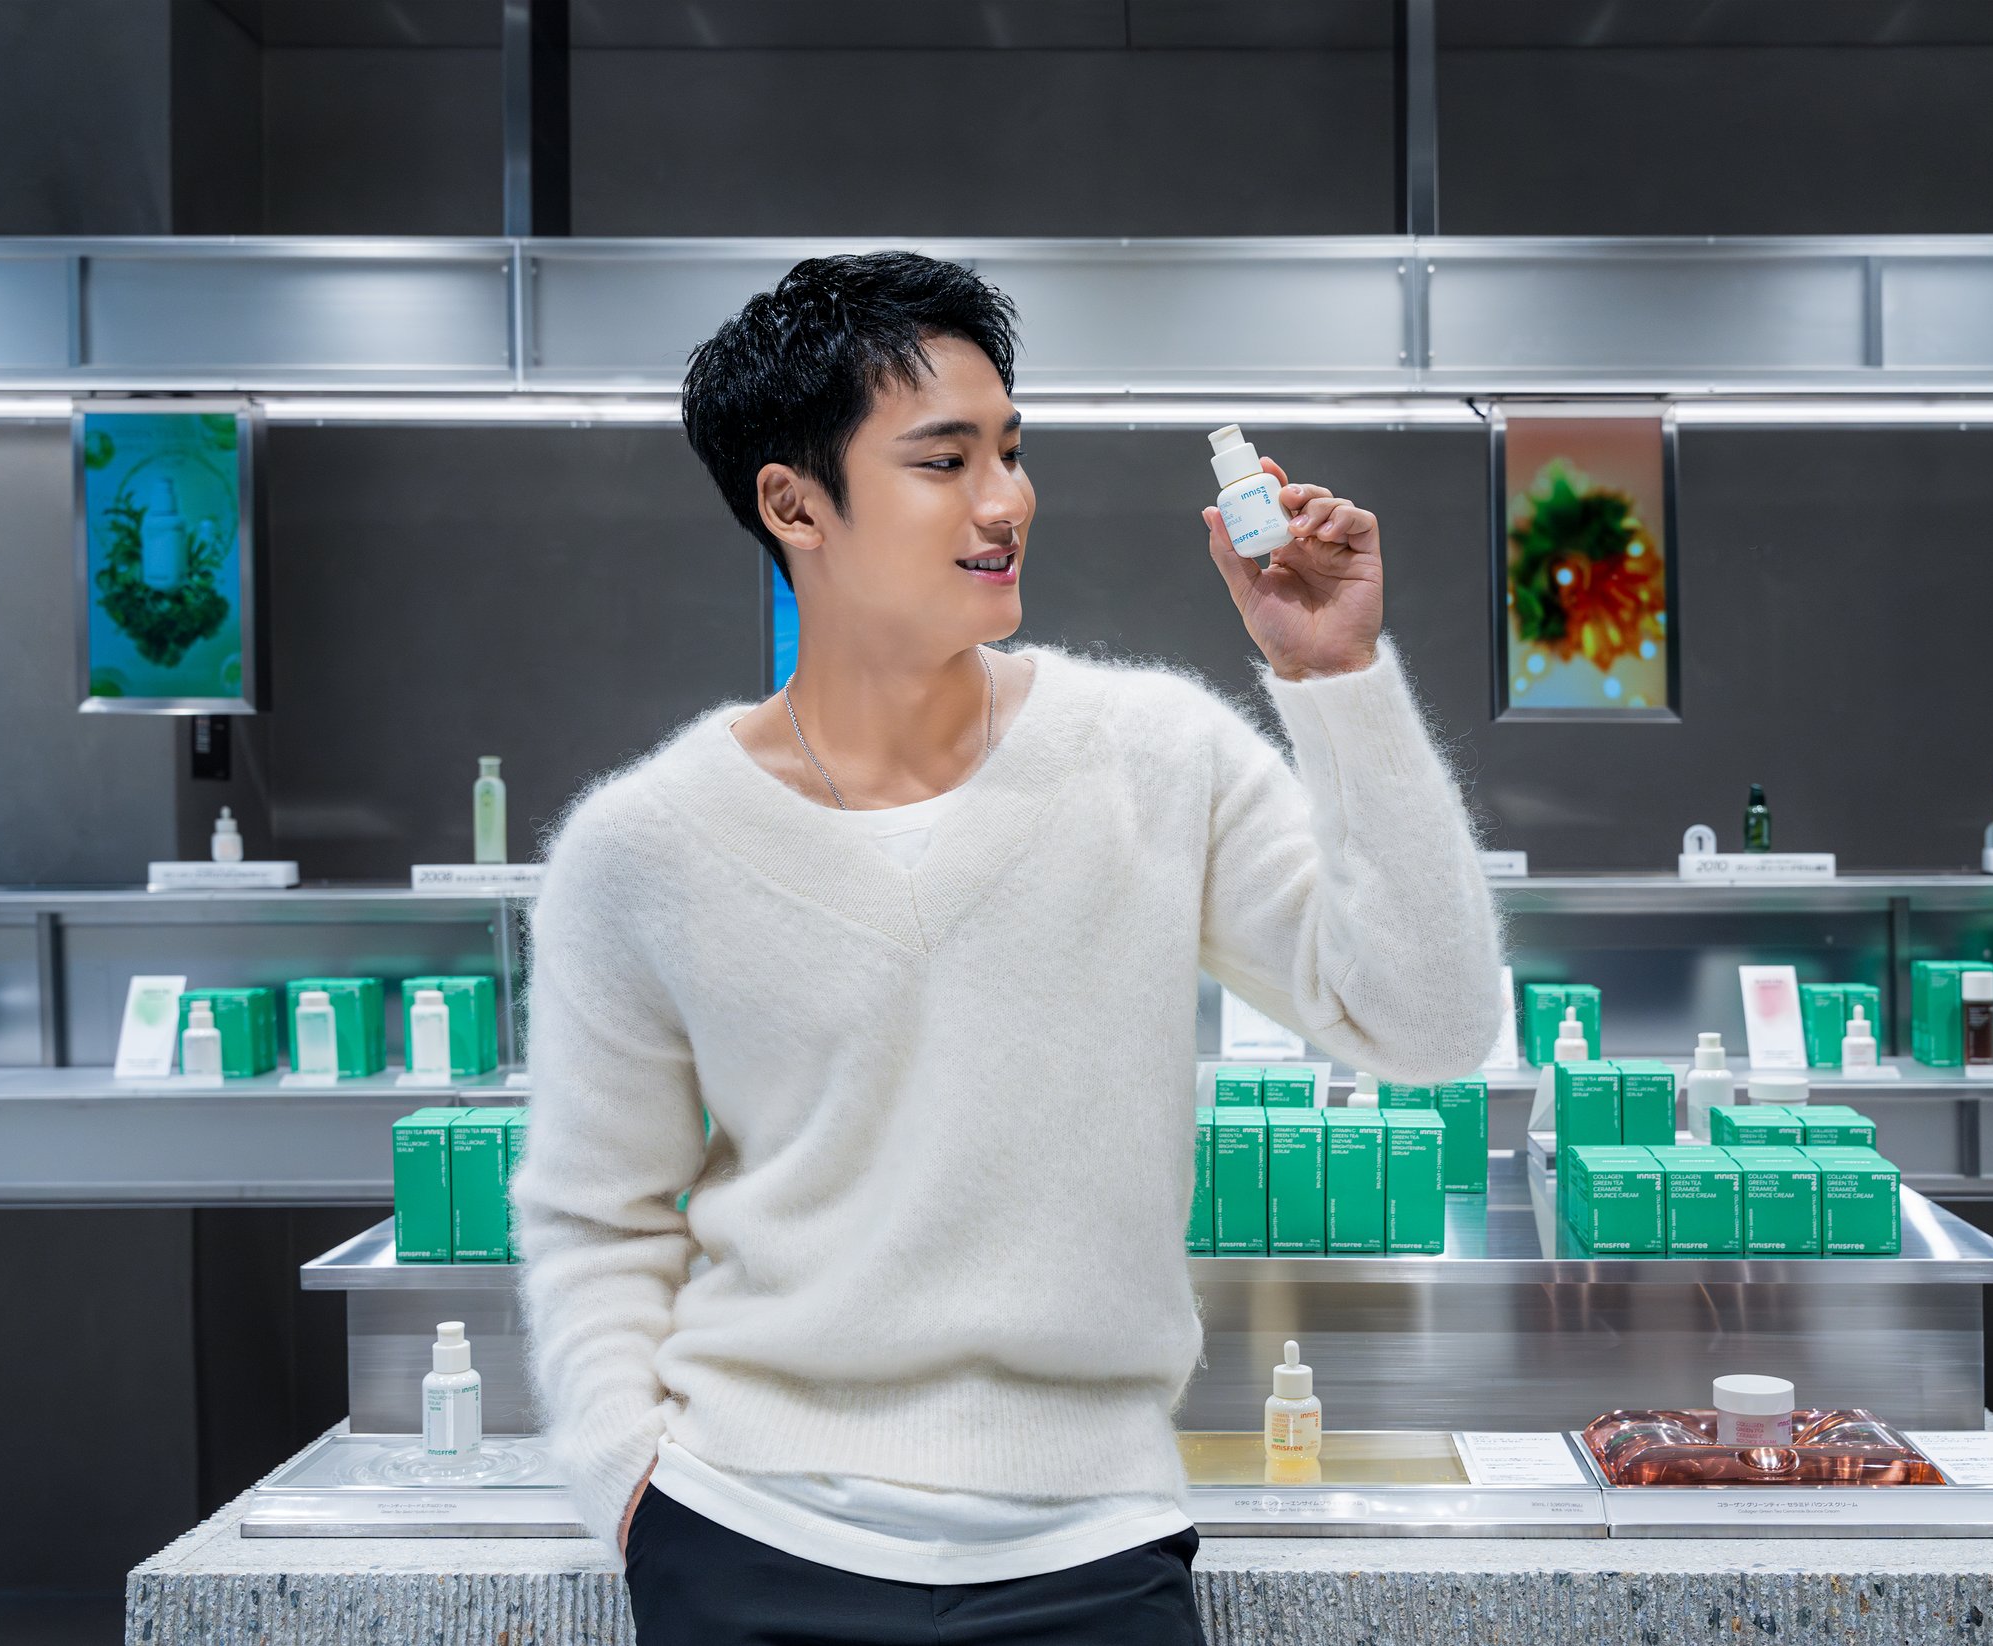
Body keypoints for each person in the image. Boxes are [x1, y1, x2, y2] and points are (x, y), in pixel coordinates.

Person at [511, 250, 1502, 1645]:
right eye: (943, 458)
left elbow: (1432, 1019)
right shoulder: (643, 845)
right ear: (794, 503)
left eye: (1013, 448)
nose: (1006, 499)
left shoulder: (1154, 757)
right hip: (748, 1538)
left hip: (1095, 1551)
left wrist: (1334, 678)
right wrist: (634, 1483)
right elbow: (595, 1219)